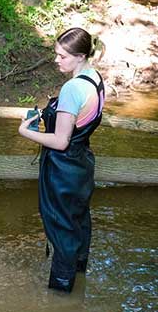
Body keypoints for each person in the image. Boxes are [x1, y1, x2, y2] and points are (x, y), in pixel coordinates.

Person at [19, 27, 105, 292]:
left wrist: (25, 131)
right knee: (78, 220)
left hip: (62, 167)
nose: (56, 60)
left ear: (80, 56)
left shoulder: (72, 89)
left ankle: (60, 291)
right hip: (81, 164)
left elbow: (60, 141)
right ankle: (79, 272)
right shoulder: (95, 78)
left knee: (61, 225)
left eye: (62, 56)